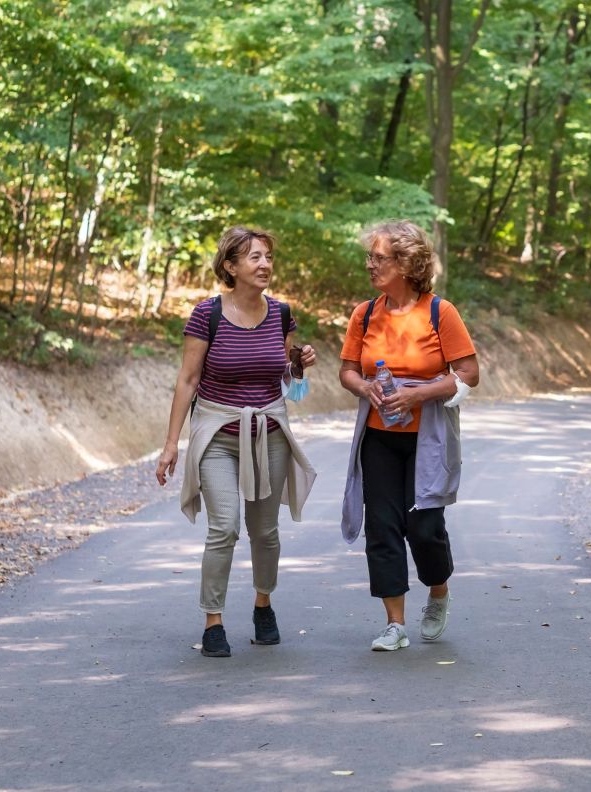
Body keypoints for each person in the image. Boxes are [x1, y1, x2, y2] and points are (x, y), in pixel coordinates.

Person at [155, 225, 317, 658]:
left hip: (269, 433)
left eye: (267, 256)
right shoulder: (206, 314)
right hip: (218, 435)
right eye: (254, 257)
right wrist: (171, 444)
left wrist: (298, 368)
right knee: (223, 528)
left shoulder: (282, 315)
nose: (265, 264)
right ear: (230, 266)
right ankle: (213, 621)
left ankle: (263, 604)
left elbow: (288, 386)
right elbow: (187, 381)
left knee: (265, 532)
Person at [339, 220, 480, 651]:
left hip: (429, 439)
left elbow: (469, 374)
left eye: (379, 258)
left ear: (405, 262)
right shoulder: (365, 314)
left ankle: (438, 590)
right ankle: (394, 624)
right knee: (382, 527)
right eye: (371, 257)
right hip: (379, 437)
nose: (371, 264)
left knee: (423, 528)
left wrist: (416, 396)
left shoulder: (440, 312)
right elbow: (347, 371)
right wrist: (364, 387)